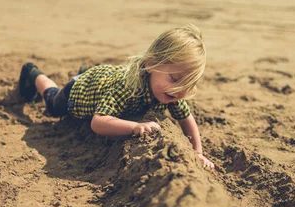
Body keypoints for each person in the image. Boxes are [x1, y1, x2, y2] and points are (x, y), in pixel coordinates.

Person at [18, 23, 215, 169]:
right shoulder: (128, 88)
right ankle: (33, 73)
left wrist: (198, 153)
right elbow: (98, 122)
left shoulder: (171, 92)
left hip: (102, 80)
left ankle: (85, 71)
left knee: (97, 84)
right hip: (78, 91)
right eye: (174, 79)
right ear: (150, 64)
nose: (179, 91)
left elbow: (186, 119)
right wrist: (135, 127)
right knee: (52, 104)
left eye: (187, 85)